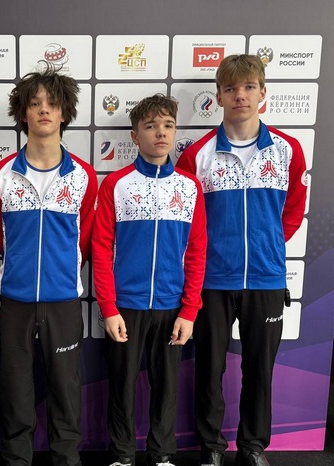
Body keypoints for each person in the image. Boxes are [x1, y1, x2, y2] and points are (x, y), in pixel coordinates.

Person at [176, 54, 308, 466]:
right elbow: (187, 222)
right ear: (218, 96)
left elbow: (293, 211)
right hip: (212, 281)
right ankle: (211, 447)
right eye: (231, 88)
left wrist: (268, 246)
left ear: (263, 93)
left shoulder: (288, 150)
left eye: (249, 87)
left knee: (259, 371)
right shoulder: (196, 155)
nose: (240, 95)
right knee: (209, 369)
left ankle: (252, 447)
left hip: (266, 280)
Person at [0, 66, 98, 466]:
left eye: (52, 104)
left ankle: (66, 459)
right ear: (24, 113)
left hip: (63, 299)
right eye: (35, 104)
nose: (44, 110)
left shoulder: (84, 175)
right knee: (15, 393)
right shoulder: (0, 174)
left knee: (65, 391)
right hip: (15, 301)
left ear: (64, 112)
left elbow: (84, 238)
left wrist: (59, 269)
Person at [92, 94, 207, 466]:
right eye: (151, 126)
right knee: (122, 384)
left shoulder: (189, 187)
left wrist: (189, 311)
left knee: (167, 386)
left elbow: (197, 252)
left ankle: (162, 454)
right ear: (135, 136)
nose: (161, 132)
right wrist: (109, 308)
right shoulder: (116, 184)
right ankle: (122, 455)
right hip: (126, 306)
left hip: (172, 306)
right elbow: (101, 249)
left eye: (168, 125)